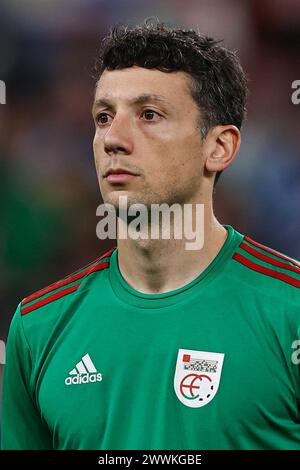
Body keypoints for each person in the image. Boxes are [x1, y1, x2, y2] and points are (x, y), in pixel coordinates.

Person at [1, 21, 300, 450]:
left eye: (149, 115)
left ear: (220, 148)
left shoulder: (290, 311)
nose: (113, 139)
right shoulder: (37, 327)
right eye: (103, 117)